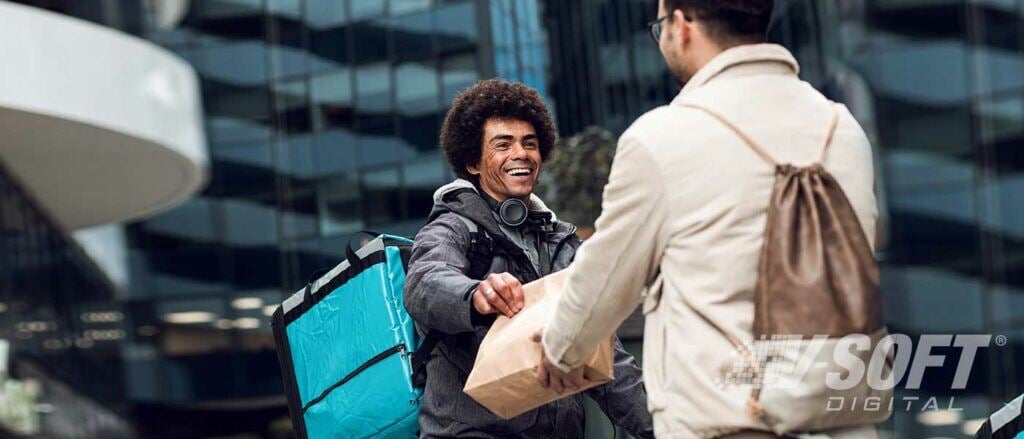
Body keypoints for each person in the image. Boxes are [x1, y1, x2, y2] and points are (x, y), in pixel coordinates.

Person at [537, 1, 881, 438]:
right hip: (844, 420)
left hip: (730, 424)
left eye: (658, 24)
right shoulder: (844, 129)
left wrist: (560, 353)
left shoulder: (660, 139)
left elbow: (603, 282)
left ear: (681, 26)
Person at [403, 79, 654, 439]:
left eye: (530, 143)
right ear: (473, 162)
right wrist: (475, 295)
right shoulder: (452, 226)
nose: (521, 153)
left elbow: (607, 359)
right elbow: (425, 283)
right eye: (503, 144)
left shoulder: (562, 244)